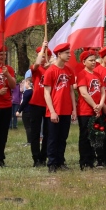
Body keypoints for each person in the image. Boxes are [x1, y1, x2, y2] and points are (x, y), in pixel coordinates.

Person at [43, 43, 76, 172]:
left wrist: (74, 109)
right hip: (54, 110)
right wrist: (52, 111)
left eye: (69, 52)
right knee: (52, 138)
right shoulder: (50, 70)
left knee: (63, 137)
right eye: (67, 53)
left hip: (66, 110)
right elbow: (46, 92)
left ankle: (60, 161)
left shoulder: (69, 71)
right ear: (59, 54)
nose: (69, 55)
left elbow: (72, 91)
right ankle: (51, 163)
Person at [76, 49, 105, 170]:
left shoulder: (97, 75)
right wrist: (94, 105)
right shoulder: (82, 74)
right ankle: (84, 161)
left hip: (97, 110)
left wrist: (100, 105)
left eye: (94, 60)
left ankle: (93, 159)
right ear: (84, 62)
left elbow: (103, 92)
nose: (94, 62)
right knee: (85, 136)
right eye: (90, 60)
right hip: (85, 111)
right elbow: (84, 93)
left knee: (96, 136)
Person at [26, 44, 50, 167]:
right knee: (35, 133)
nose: (41, 58)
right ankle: (36, 158)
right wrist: (42, 48)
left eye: (44, 56)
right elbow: (35, 65)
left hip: (48, 105)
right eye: (40, 56)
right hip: (36, 103)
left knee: (47, 132)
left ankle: (43, 156)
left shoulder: (52, 69)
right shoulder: (36, 68)